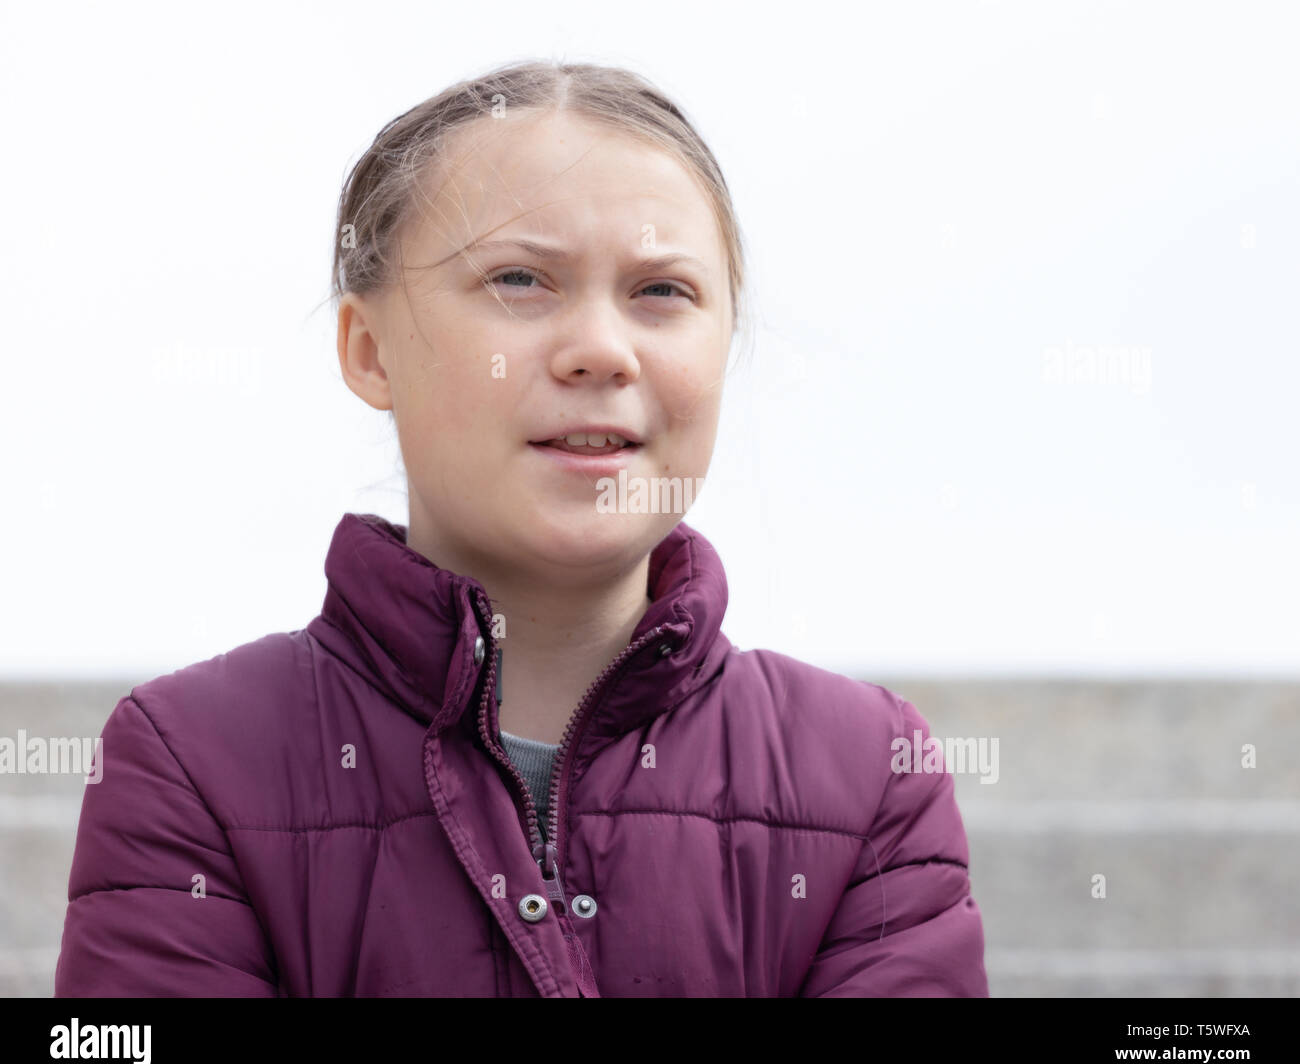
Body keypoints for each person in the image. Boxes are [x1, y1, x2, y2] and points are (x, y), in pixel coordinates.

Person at [54, 58, 988, 997]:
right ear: (369, 352)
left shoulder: (868, 774)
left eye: (662, 291)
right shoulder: (194, 761)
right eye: (519, 279)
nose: (599, 351)